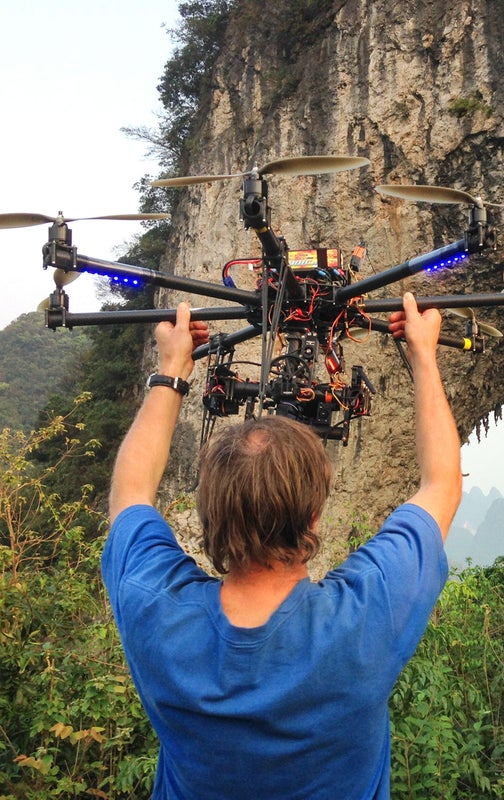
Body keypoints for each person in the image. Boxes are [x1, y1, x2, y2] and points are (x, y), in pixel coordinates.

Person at [102, 294, 462, 799]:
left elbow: (130, 493)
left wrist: (171, 370)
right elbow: (442, 484)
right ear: (313, 515)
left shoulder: (156, 612)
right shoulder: (362, 622)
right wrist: (423, 354)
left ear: (211, 515)